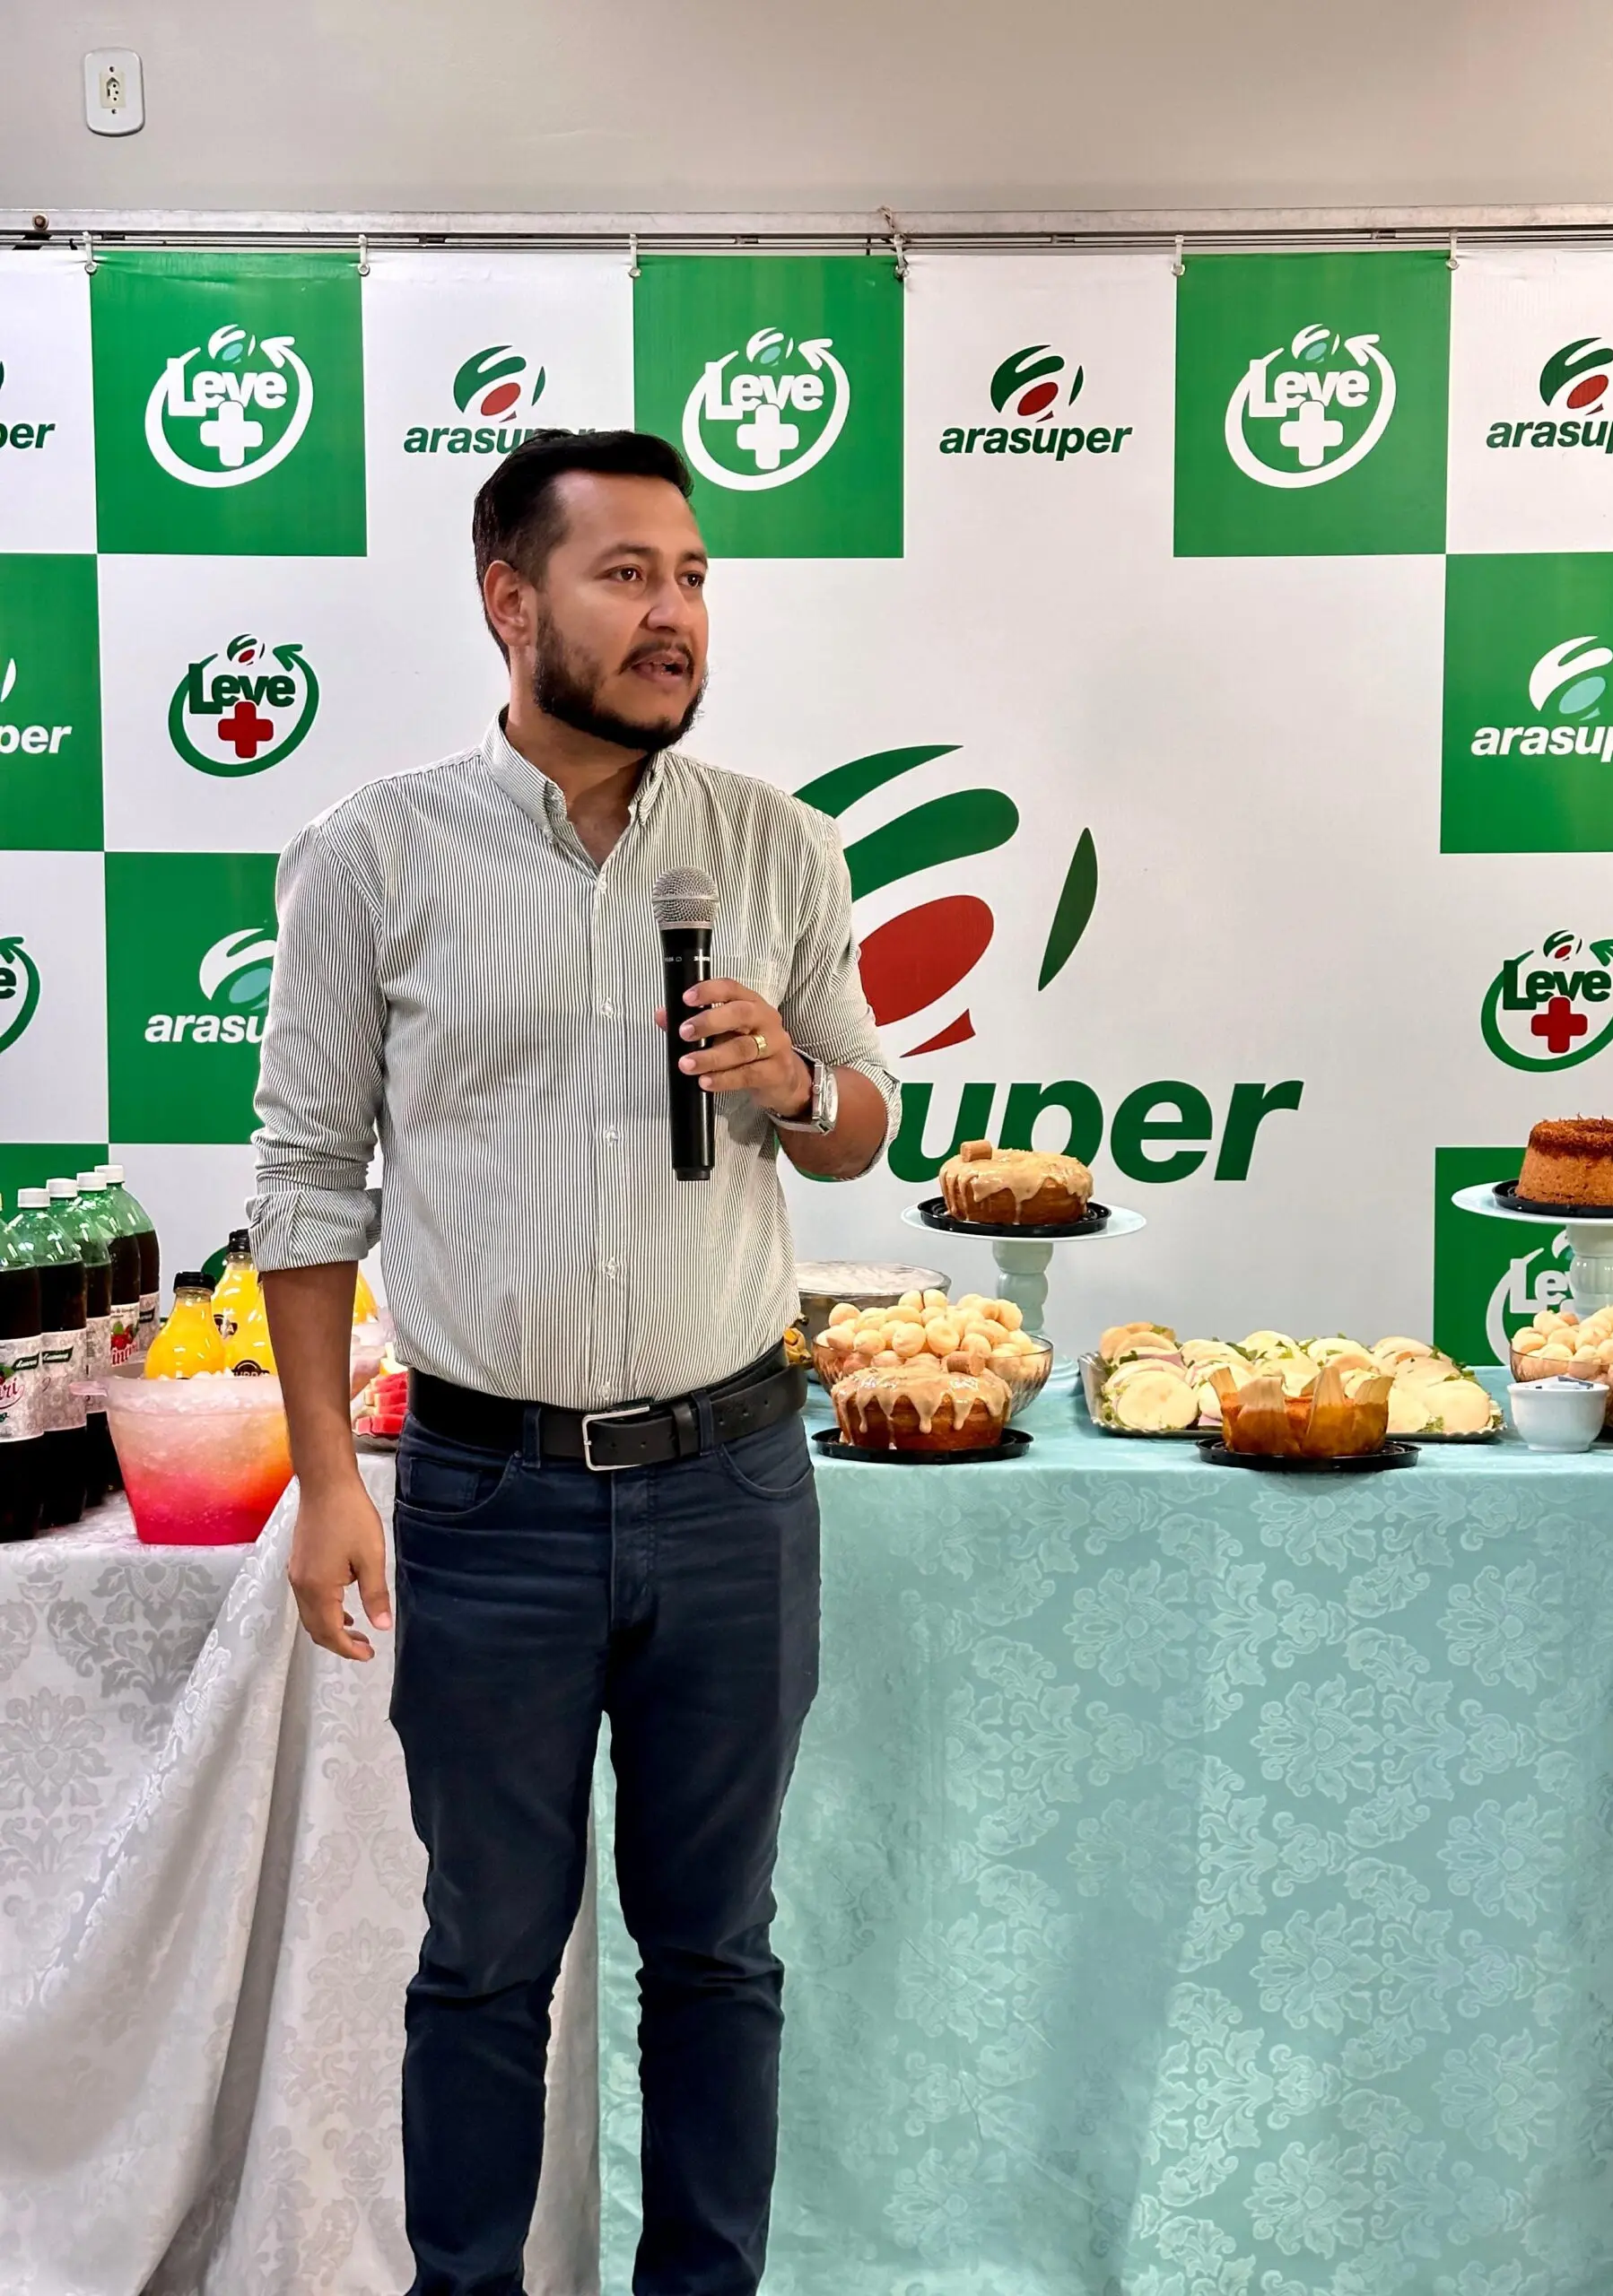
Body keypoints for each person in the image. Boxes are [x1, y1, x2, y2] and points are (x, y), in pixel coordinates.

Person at [250, 428, 898, 2296]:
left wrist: (799, 1081)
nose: (673, 614)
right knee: (483, 1959)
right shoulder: (375, 855)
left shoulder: (777, 845)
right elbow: (305, 1177)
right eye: (626, 575)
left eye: (691, 576)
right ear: (508, 601)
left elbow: (867, 1114)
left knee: (717, 1954)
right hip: (488, 1496)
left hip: (734, 1489)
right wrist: (328, 1476)